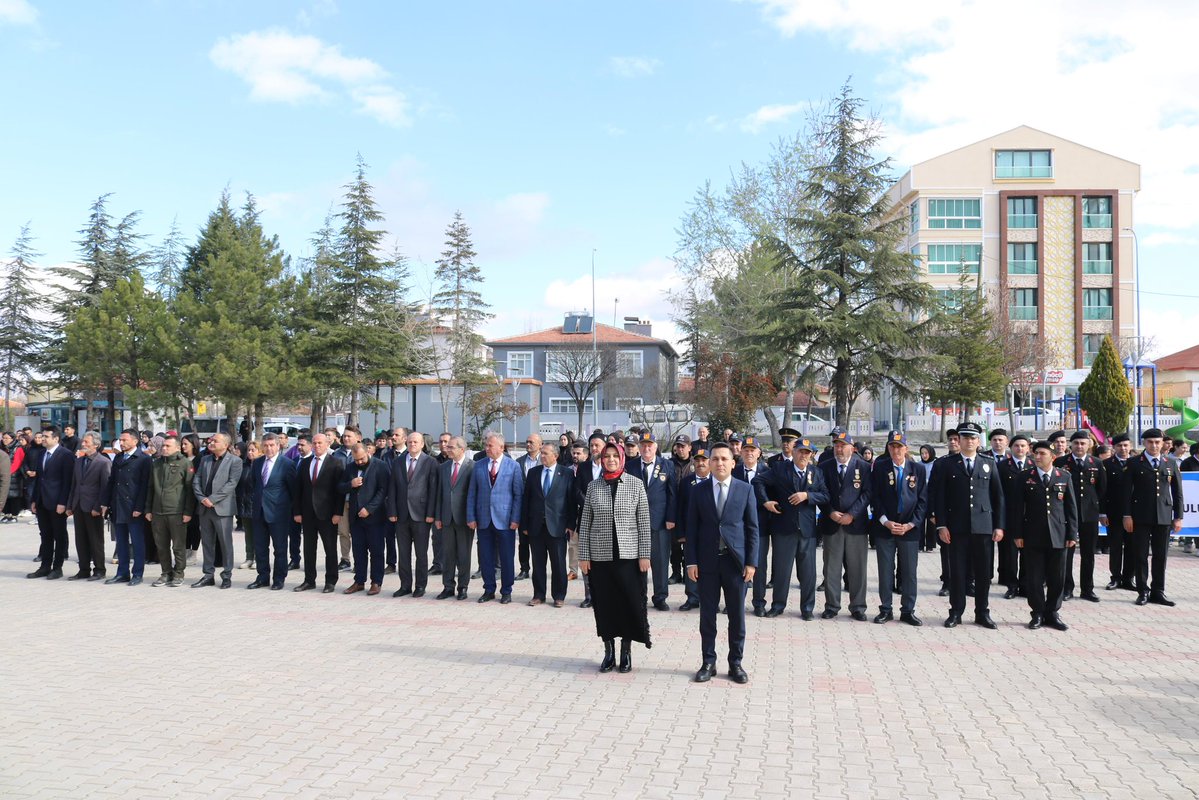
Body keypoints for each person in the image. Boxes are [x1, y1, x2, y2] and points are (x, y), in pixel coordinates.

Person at [685, 442, 758, 684]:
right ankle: (708, 661)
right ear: (709, 462)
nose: (719, 463)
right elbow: (692, 529)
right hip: (706, 564)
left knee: (737, 616)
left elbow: (752, 529)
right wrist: (691, 562)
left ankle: (735, 663)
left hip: (735, 563)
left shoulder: (745, 490)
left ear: (732, 463)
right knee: (708, 615)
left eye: (724, 459)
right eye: (715, 459)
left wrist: (751, 563)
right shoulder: (699, 490)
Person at [578, 442, 652, 673]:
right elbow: (585, 523)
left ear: (622, 458)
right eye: (606, 456)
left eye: (614, 456)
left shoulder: (635, 484)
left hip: (629, 556)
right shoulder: (593, 487)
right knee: (605, 604)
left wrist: (644, 554)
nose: (610, 459)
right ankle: (608, 652)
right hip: (600, 557)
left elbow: (643, 523)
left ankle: (625, 652)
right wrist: (583, 556)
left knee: (628, 603)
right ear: (601, 459)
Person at [932, 422, 1005, 629]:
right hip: (956, 528)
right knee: (957, 572)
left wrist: (999, 526)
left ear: (978, 441)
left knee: (983, 574)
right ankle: (956, 612)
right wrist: (941, 525)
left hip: (984, 527)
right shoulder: (948, 464)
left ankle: (982, 612)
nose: (969, 441)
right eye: (965, 438)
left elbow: (998, 497)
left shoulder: (988, 463)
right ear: (960, 440)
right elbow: (940, 497)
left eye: (973, 438)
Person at [753, 436, 827, 620]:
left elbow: (825, 496)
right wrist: (766, 502)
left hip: (808, 530)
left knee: (808, 573)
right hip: (784, 528)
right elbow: (758, 482)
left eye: (807, 453)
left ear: (811, 456)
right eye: (800, 451)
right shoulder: (780, 469)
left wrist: (807, 496)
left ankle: (807, 608)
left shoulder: (816, 473)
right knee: (782, 571)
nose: (803, 455)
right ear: (793, 452)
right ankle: (778, 605)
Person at [1012, 440, 1077, 630]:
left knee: (1057, 577)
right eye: (1035, 454)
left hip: (1059, 534)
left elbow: (1071, 508)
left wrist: (1072, 533)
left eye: (1042, 453)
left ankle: (1053, 612)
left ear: (1052, 456)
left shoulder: (1064, 476)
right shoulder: (1024, 477)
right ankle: (1037, 613)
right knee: (1034, 577)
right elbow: (1017, 508)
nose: (1037, 457)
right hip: (1032, 534)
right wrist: (1017, 534)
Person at [869, 432, 927, 626]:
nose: (895, 450)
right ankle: (886, 609)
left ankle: (908, 610)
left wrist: (911, 524)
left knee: (909, 572)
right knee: (886, 571)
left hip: (909, 529)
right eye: (892, 446)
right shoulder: (880, 468)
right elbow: (875, 498)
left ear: (906, 448)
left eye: (899, 447)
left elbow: (922, 500)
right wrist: (885, 521)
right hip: (886, 528)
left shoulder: (917, 469)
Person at [816, 428, 872, 621]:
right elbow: (820, 493)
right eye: (836, 445)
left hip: (855, 525)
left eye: (843, 446)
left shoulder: (864, 467)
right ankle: (832, 605)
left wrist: (852, 514)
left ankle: (858, 607)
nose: (839, 449)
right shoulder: (824, 466)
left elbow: (867, 494)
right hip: (831, 524)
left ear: (852, 447)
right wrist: (830, 511)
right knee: (831, 568)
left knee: (857, 569)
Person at [1122, 428, 1182, 607]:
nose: (1154, 445)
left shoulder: (1170, 463)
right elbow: (1126, 492)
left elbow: (1177, 492)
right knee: (1140, 555)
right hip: (1140, 516)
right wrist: (1127, 515)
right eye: (1150, 442)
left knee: (1160, 555)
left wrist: (1178, 516)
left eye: (1157, 442)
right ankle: (1143, 591)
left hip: (1163, 516)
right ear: (1144, 443)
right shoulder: (1134, 463)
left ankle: (1158, 591)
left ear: (1163, 443)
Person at [467, 430, 524, 603]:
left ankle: (506, 591)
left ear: (501, 447)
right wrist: (471, 516)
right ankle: (488, 589)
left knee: (506, 558)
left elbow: (518, 495)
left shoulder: (513, 466)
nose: (486, 448)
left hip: (505, 520)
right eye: (486, 445)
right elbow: (472, 493)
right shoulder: (479, 465)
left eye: (490, 445)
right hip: (484, 519)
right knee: (485, 557)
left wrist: (515, 519)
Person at [624, 431, 676, 612]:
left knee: (660, 561)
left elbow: (672, 494)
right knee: (637, 562)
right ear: (639, 447)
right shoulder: (630, 466)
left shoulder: (667, 465)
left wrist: (671, 517)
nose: (646, 448)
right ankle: (639, 596)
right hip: (635, 522)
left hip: (660, 522)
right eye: (643, 445)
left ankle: (660, 597)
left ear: (655, 447)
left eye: (650, 445)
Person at [1055, 430, 1107, 602]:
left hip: (1089, 514)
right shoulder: (1062, 462)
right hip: (1066, 514)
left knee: (1088, 553)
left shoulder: (1096, 463)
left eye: (1083, 443)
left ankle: (1087, 589)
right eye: (1076, 443)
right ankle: (1066, 588)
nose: (1079, 446)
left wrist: (1097, 509)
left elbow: (1101, 489)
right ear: (1071, 445)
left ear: (1089, 445)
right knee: (1066, 553)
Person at [521, 442, 574, 607]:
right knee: (538, 563)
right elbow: (526, 500)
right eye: (541, 453)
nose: (542, 456)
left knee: (558, 563)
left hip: (557, 526)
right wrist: (525, 525)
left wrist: (570, 524)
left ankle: (559, 596)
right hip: (536, 526)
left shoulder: (566, 473)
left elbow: (571, 501)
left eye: (545, 453)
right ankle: (538, 594)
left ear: (555, 455)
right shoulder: (533, 473)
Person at [387, 430, 439, 598]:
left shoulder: (430, 462)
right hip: (401, 514)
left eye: (415, 442)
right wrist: (392, 511)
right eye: (409, 442)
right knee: (403, 552)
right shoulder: (398, 461)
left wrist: (431, 513)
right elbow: (392, 488)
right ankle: (405, 585)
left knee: (421, 553)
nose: (412, 445)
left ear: (422, 444)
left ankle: (420, 585)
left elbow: (433, 490)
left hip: (422, 515)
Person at [292, 432, 344, 593]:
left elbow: (339, 491)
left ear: (328, 444)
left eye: (320, 443)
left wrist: (337, 513)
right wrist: (297, 511)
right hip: (308, 514)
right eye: (314, 443)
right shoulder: (305, 463)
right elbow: (298, 490)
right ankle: (309, 580)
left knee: (330, 549)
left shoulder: (335, 463)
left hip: (327, 514)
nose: (317, 446)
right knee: (309, 548)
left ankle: (330, 581)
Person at [191, 433, 242, 589]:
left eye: (215, 441)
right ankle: (208, 575)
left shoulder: (235, 461)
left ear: (225, 445)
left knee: (225, 543)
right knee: (207, 543)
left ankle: (226, 576)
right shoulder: (205, 459)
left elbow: (231, 484)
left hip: (222, 509)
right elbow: (196, 480)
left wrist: (212, 499)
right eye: (211, 440)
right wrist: (202, 498)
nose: (211, 442)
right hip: (204, 508)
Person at [102, 428, 151, 586]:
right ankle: (122, 573)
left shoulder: (143, 459)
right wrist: (105, 502)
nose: (120, 443)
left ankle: (137, 573)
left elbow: (145, 486)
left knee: (137, 542)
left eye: (124, 440)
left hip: (134, 507)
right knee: (121, 542)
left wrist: (139, 507)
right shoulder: (118, 458)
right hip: (118, 504)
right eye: (120, 440)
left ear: (135, 441)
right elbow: (111, 482)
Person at [144, 434, 195, 587]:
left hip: (176, 512)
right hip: (157, 512)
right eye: (163, 446)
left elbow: (189, 490)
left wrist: (187, 512)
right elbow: (150, 488)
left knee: (178, 546)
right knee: (161, 545)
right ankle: (166, 572)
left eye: (168, 446)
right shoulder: (157, 464)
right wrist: (148, 509)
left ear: (177, 448)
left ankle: (179, 573)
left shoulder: (185, 463)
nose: (164, 448)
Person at [338, 443, 390, 595]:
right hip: (355, 517)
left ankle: (376, 582)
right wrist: (350, 484)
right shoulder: (350, 467)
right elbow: (340, 487)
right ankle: (359, 581)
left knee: (376, 551)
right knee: (358, 551)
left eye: (361, 459)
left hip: (375, 517)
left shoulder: (380, 466)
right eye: (356, 460)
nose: (359, 462)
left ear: (368, 452)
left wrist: (369, 509)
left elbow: (383, 490)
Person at [248, 433, 297, 590]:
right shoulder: (257, 463)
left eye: (272, 445)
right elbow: (254, 485)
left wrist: (290, 510)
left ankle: (279, 578)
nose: (269, 449)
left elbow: (292, 490)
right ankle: (262, 577)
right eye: (266, 446)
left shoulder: (287, 464)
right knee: (260, 548)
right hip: (259, 512)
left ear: (278, 446)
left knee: (280, 548)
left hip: (278, 513)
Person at [27, 427, 74, 580]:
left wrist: (63, 502)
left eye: (46, 436)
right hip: (42, 501)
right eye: (42, 436)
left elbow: (68, 481)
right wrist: (34, 500)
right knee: (45, 535)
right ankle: (45, 566)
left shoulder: (66, 455)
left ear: (56, 438)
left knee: (59, 536)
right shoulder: (42, 454)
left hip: (57, 503)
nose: (43, 439)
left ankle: (57, 567)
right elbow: (39, 479)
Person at [65, 431, 111, 581]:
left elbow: (105, 488)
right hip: (79, 505)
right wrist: (70, 505)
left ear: (96, 445)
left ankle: (99, 569)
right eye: (83, 441)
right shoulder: (78, 461)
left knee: (95, 539)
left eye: (86, 442)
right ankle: (83, 569)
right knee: (81, 539)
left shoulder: (103, 462)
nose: (83, 444)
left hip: (93, 508)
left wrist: (98, 507)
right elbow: (74, 485)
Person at [434, 436, 474, 600]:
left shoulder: (472, 467)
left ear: (461, 449)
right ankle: (448, 586)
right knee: (447, 555)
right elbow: (438, 493)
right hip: (446, 517)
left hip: (464, 518)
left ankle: (463, 587)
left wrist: (473, 517)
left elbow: (473, 494)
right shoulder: (443, 467)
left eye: (451, 447)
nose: (447, 449)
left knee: (464, 555)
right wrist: (438, 516)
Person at [570, 432, 607, 608]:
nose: (593, 448)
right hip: (586, 518)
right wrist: (590, 504)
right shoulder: (583, 467)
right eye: (591, 445)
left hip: (606, 520)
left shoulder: (611, 465)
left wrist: (599, 506)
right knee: (586, 558)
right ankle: (589, 595)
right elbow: (576, 491)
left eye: (597, 445)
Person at [997, 435, 1032, 599]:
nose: (1020, 449)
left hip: (1031, 517)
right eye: (1016, 446)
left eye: (1023, 446)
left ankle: (1025, 585)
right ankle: (1012, 586)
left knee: (1028, 553)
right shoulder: (1003, 466)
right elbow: (998, 493)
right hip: (1010, 517)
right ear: (1011, 448)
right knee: (1010, 554)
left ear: (1028, 448)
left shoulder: (1034, 465)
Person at [1103, 433, 1136, 591]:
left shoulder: (1136, 463)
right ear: (1113, 447)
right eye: (1119, 446)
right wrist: (1102, 513)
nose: (1123, 448)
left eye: (1125, 445)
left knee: (1132, 547)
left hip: (1135, 513)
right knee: (1115, 546)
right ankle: (1115, 577)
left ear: (1130, 446)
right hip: (1114, 513)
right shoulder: (1107, 465)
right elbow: (1102, 491)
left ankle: (1129, 578)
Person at [513, 433, 542, 581]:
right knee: (523, 542)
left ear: (540, 444)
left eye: (531, 442)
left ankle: (538, 569)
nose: (528, 444)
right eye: (527, 441)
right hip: (523, 507)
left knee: (537, 542)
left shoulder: (544, 461)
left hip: (539, 508)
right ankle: (524, 568)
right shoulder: (518, 462)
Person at [667, 434, 694, 583]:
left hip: (690, 509)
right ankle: (676, 572)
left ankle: (687, 572)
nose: (680, 449)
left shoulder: (695, 463)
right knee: (675, 545)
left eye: (683, 446)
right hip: (673, 508)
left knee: (689, 544)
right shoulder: (669, 464)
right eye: (678, 446)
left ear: (689, 447)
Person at [235, 440, 260, 571]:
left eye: (253, 450)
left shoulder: (261, 465)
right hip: (244, 505)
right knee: (248, 534)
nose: (250, 453)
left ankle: (258, 558)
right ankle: (249, 557)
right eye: (249, 450)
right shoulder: (243, 466)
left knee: (258, 534)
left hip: (256, 505)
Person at [180, 433, 204, 564]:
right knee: (184, 527)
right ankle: (185, 551)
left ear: (194, 445)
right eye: (182, 444)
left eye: (186, 444)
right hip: (181, 497)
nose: (183, 446)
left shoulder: (200, 459)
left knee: (194, 526)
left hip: (195, 497)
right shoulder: (180, 459)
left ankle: (193, 553)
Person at [917, 444, 938, 552]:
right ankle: (920, 544)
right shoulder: (918, 465)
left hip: (932, 495)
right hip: (921, 495)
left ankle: (930, 544)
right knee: (920, 520)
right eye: (922, 453)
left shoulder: (936, 463)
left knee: (931, 520)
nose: (924, 455)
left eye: (926, 453)